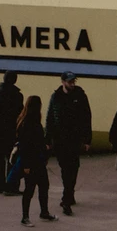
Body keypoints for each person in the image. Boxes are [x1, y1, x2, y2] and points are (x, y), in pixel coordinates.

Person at [45, 70, 92, 215]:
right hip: (60, 139)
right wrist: (47, 139)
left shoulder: (80, 96)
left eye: (73, 81)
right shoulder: (56, 97)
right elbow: (50, 119)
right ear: (63, 82)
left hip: (75, 138)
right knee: (66, 169)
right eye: (70, 81)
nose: (72, 84)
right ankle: (67, 198)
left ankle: (69, 194)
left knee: (74, 167)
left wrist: (87, 139)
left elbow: (86, 118)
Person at [13, 93, 56, 225]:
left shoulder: (26, 122)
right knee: (31, 189)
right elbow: (26, 146)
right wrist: (26, 165)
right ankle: (26, 217)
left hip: (36, 160)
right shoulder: (29, 124)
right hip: (32, 161)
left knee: (41, 186)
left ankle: (43, 212)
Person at [0, 70, 22, 195]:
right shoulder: (16, 95)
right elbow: (19, 116)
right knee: (12, 159)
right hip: (10, 132)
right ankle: (10, 186)